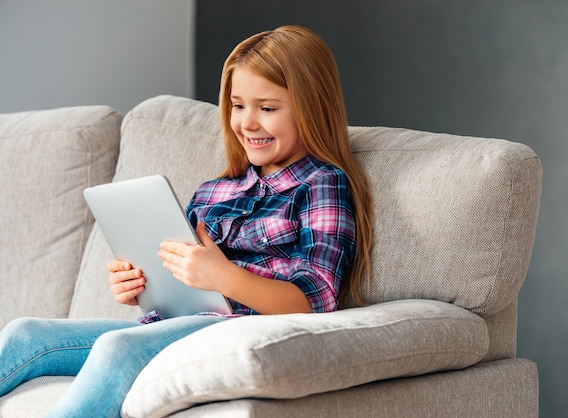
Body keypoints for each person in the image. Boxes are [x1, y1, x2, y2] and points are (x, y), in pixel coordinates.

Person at [0, 25, 373, 417]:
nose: (247, 123)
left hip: (240, 328)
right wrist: (139, 283)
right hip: (175, 324)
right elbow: (180, 280)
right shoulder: (215, 191)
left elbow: (314, 301)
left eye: (267, 108)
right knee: (25, 334)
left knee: (118, 348)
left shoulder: (321, 184)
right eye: (237, 105)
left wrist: (224, 277)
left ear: (311, 107)